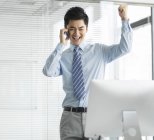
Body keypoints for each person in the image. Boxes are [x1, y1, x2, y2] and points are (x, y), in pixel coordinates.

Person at [42, 4, 132, 140]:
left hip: (95, 116)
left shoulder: (100, 51)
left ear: (87, 29)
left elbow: (125, 48)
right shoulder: (63, 56)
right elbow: (48, 71)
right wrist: (61, 45)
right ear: (66, 30)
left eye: (80, 29)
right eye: (72, 29)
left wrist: (124, 20)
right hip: (70, 118)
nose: (76, 34)